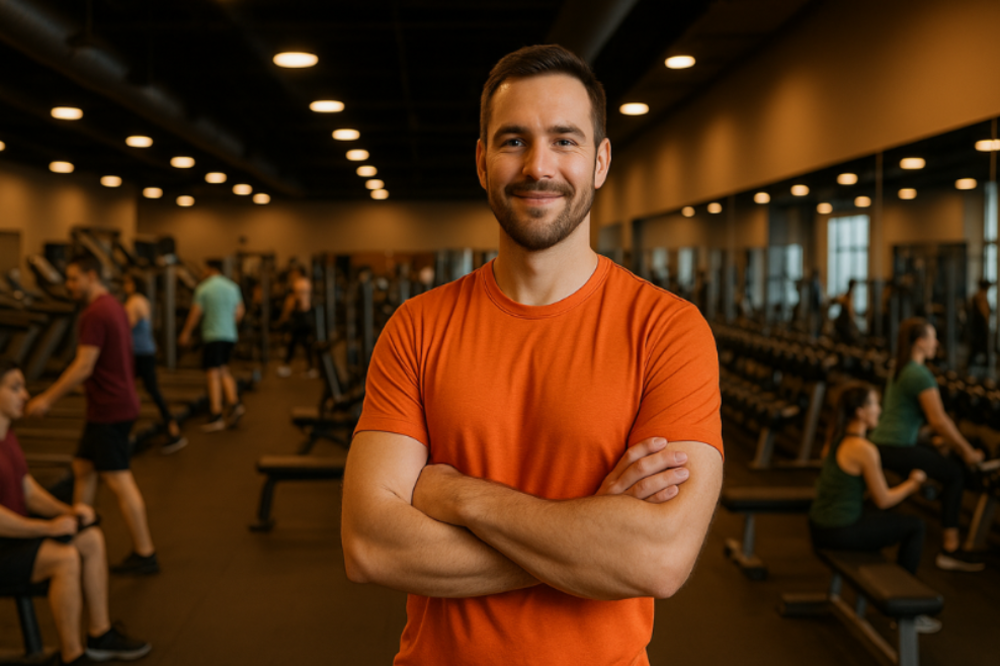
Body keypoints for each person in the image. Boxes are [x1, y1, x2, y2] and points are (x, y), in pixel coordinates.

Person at [341, 45, 724, 666]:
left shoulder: (669, 330)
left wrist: (461, 497)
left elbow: (658, 558)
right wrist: (591, 539)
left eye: (565, 141)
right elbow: (370, 546)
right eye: (513, 140)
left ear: (600, 161)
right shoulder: (416, 327)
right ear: (481, 159)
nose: (538, 166)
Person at [0, 360, 151, 664]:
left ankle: (100, 634)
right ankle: (73, 655)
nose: (26, 395)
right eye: (15, 388)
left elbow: (28, 491)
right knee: (64, 559)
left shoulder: (8, 436)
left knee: (91, 538)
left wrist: (68, 512)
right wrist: (48, 528)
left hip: (13, 539)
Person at [25, 253, 159, 575]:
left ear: (91, 276)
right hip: (111, 405)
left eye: (74, 278)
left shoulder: (96, 313)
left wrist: (47, 398)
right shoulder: (113, 305)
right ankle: (80, 526)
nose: (69, 285)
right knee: (84, 468)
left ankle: (145, 552)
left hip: (111, 409)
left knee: (119, 479)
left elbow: (84, 365)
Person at [809, 381, 939, 633]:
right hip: (837, 532)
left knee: (886, 518)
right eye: (875, 404)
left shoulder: (835, 438)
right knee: (915, 526)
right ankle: (907, 611)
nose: (880, 410)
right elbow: (884, 499)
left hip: (819, 526)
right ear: (860, 411)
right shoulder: (864, 449)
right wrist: (913, 483)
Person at [869, 317, 986, 572]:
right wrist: (968, 453)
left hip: (883, 443)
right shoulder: (919, 374)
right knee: (955, 473)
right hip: (896, 446)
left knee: (944, 462)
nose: (937, 343)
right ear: (921, 342)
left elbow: (908, 417)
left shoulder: (900, 367)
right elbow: (940, 420)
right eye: (933, 338)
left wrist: (936, 441)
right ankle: (950, 549)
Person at [122, 272, 187, 454]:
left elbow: (126, 326)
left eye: (127, 282)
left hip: (139, 353)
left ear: (134, 284)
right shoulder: (143, 300)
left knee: (138, 390)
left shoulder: (135, 301)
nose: (124, 286)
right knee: (139, 390)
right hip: (145, 351)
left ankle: (172, 431)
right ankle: (171, 429)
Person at [178, 259, 245, 432]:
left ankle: (216, 414)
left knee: (212, 373)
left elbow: (195, 313)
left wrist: (186, 332)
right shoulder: (232, 287)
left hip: (213, 335)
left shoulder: (204, 288)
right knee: (223, 369)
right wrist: (229, 324)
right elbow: (239, 312)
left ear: (210, 269)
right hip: (229, 335)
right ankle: (234, 403)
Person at [276, 265, 316, 378]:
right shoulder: (304, 282)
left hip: (303, 317)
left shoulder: (300, 283)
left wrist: (286, 314)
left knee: (299, 343)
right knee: (296, 344)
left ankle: (289, 365)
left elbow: (299, 301)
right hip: (302, 316)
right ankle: (307, 367)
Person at [969, 279, 991, 365]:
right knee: (979, 346)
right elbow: (984, 312)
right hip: (979, 326)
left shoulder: (978, 296)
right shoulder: (980, 297)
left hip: (978, 326)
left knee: (978, 347)